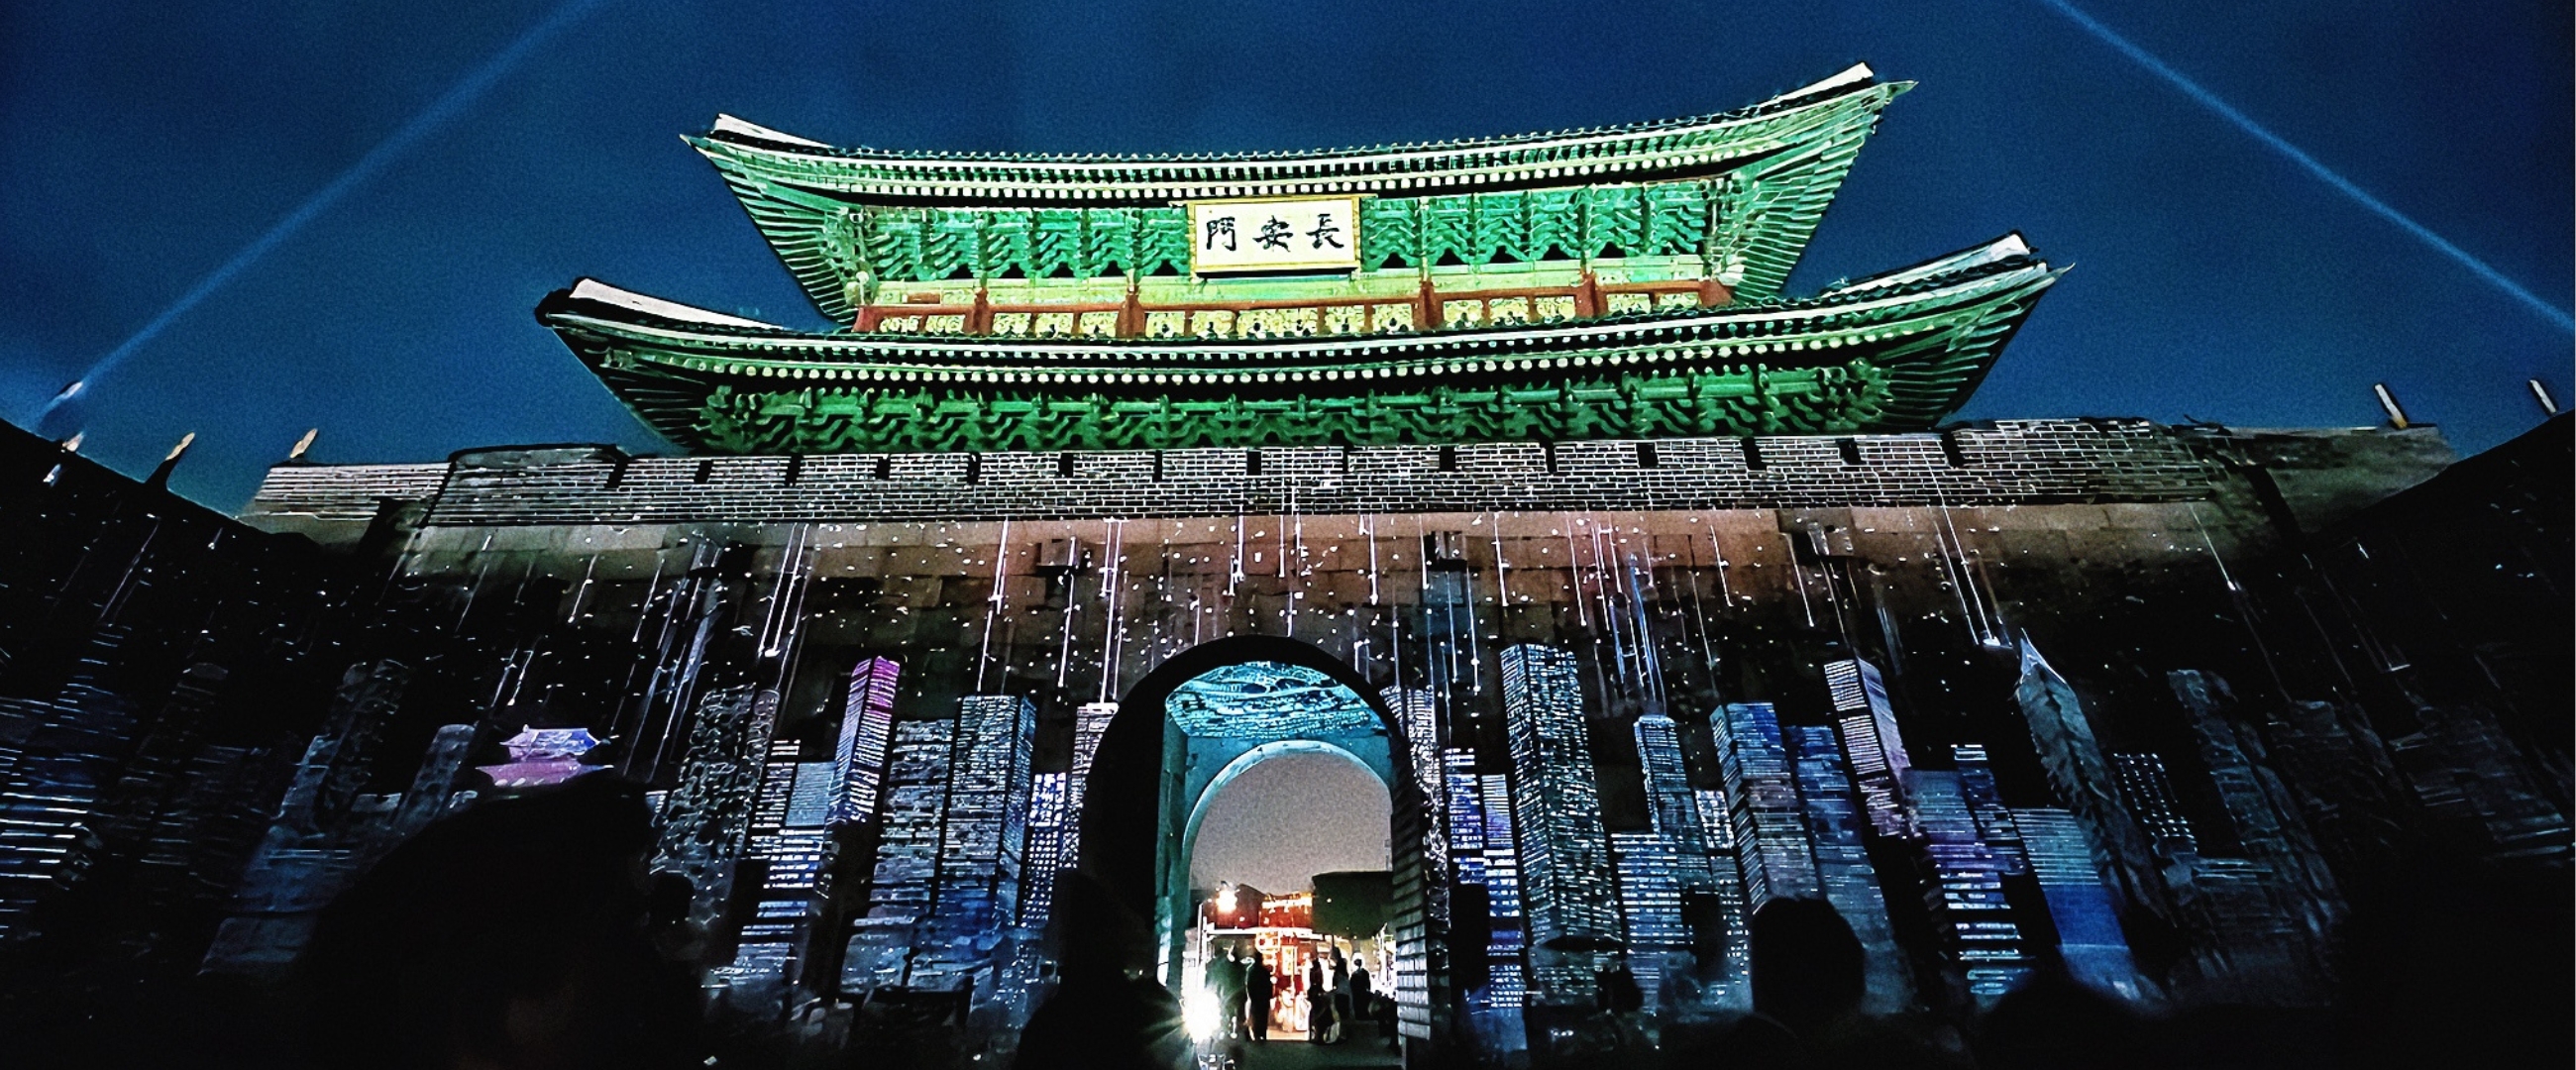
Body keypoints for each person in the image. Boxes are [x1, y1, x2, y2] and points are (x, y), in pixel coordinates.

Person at [1244, 954, 1274, 1041]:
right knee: (1262, 1016)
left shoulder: (1251, 970)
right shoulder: (1264, 971)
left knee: (1256, 1016)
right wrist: (1269, 995)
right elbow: (1269, 985)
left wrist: (1251, 995)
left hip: (1256, 998)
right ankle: (1262, 1034)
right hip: (1262, 998)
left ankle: (1257, 1033)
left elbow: (1249, 984)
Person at [1305, 957, 1335, 1043]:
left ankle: (1315, 1035)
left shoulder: (1315, 972)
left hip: (1315, 992)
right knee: (1315, 1014)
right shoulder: (1315, 972)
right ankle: (1314, 1034)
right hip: (1315, 991)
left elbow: (1317, 981)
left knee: (1316, 1014)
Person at [1329, 947, 1352, 1043]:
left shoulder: (1339, 972)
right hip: (1344, 993)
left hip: (1341, 993)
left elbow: (1334, 981)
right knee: (1343, 1015)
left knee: (1341, 1015)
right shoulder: (1344, 974)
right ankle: (1343, 1034)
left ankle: (1342, 1034)